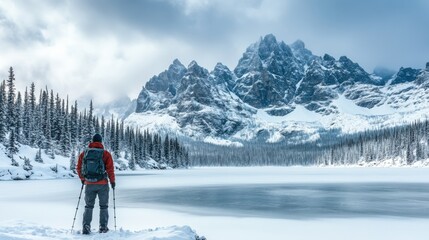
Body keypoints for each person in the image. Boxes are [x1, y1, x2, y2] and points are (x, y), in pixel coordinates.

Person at [77, 133, 116, 234]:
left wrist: (82, 179)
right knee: (104, 206)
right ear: (101, 141)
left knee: (88, 206)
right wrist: (112, 182)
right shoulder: (105, 154)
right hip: (102, 184)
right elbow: (110, 169)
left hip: (89, 184)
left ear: (92, 141)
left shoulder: (84, 153)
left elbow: (79, 168)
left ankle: (86, 228)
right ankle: (103, 228)